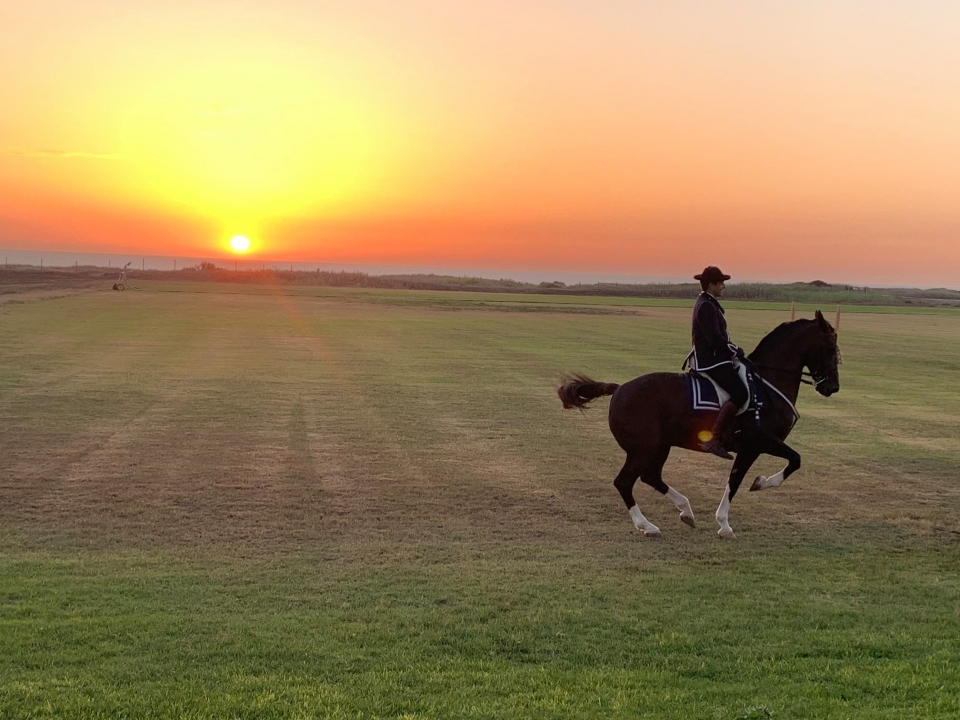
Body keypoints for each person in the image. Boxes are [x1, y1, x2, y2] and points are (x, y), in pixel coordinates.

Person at [690, 266, 748, 459]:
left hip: (715, 358)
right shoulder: (706, 305)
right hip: (711, 361)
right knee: (740, 393)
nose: (724, 286)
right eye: (721, 283)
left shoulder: (707, 302)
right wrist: (734, 350)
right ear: (712, 285)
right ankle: (714, 438)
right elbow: (714, 339)